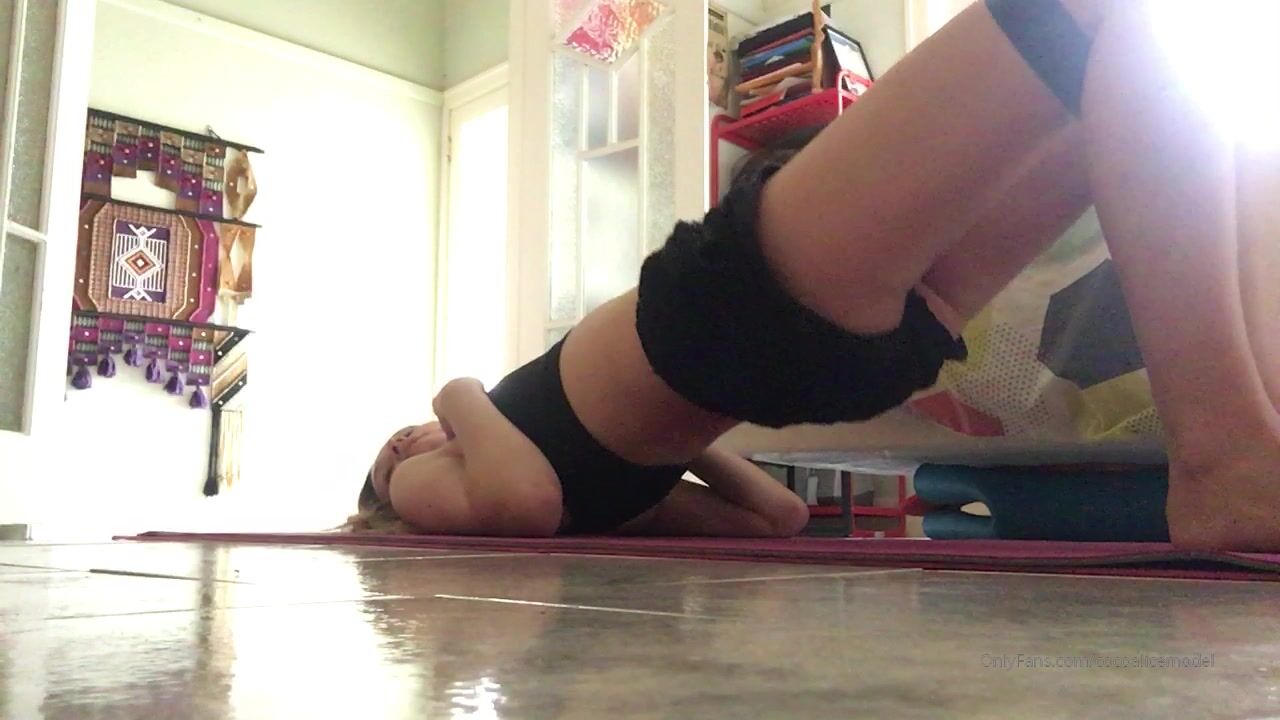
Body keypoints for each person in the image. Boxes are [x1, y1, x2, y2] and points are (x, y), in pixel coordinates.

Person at [357, 0, 1280, 550]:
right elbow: (522, 500)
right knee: (1092, 16)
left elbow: (775, 517)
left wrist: (666, 456)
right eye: (393, 452)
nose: (405, 446)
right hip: (727, 308)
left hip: (812, 361)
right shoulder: (423, 486)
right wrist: (452, 399)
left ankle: (1251, 441)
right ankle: (1228, 458)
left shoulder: (614, 497)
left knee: (1109, 103)